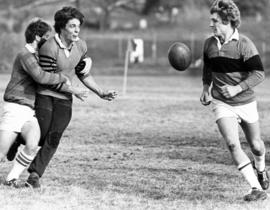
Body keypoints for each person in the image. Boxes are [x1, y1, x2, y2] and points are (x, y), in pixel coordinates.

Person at [18, 6, 116, 188]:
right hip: (46, 94)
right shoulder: (49, 47)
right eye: (72, 26)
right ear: (62, 27)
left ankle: (34, 175)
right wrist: (75, 91)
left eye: (78, 26)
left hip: (64, 99)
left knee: (54, 138)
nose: (77, 30)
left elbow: (83, 74)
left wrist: (101, 92)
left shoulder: (81, 46)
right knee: (41, 135)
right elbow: (49, 80)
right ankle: (16, 138)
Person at [200, 0, 269, 202]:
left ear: (227, 21)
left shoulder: (244, 45)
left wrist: (237, 88)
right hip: (222, 102)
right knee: (232, 144)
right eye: (211, 20)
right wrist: (206, 87)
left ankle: (261, 168)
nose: (211, 24)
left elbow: (259, 74)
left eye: (214, 21)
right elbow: (208, 68)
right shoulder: (209, 44)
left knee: (256, 145)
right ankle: (256, 188)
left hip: (246, 102)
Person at [0, 19, 73, 187]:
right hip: (14, 108)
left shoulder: (35, 56)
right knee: (1, 154)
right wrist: (63, 77)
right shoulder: (25, 55)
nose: (50, 41)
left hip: (28, 112)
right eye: (48, 37)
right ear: (38, 37)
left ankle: (11, 178)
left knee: (33, 145)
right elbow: (41, 76)